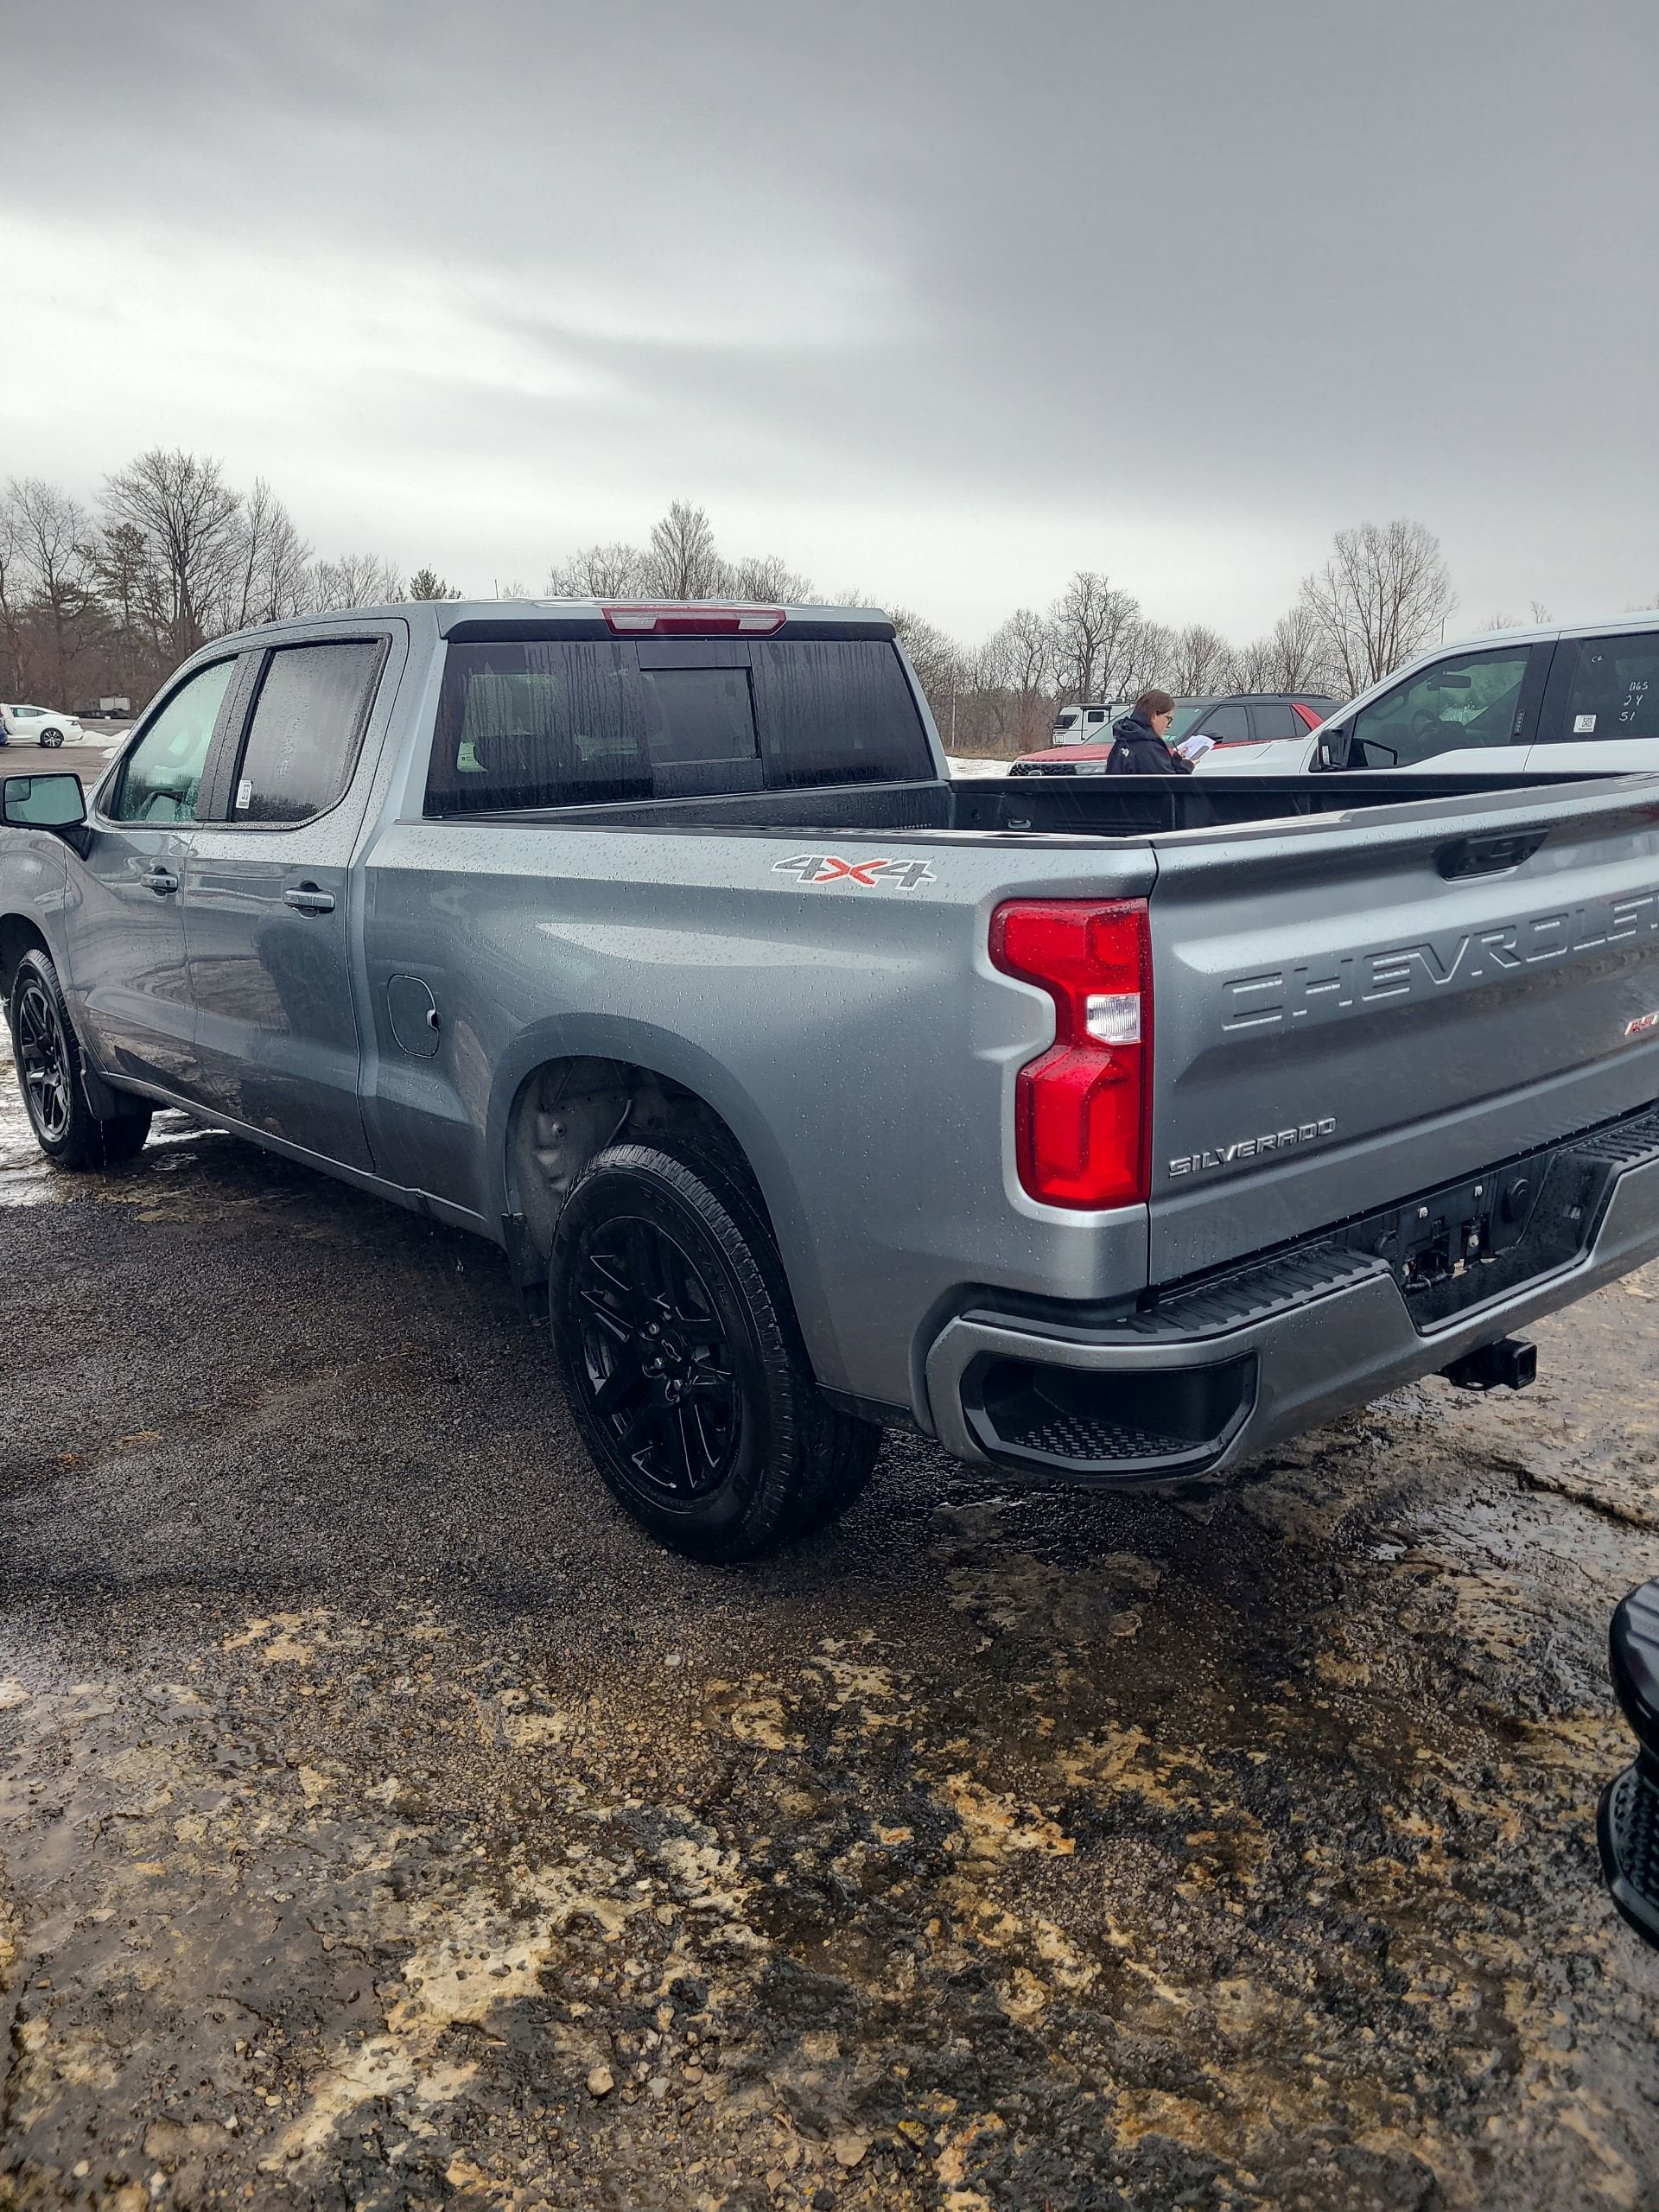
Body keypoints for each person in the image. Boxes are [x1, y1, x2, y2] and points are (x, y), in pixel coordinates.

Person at [1104, 690, 1192, 775]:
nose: (1169, 725)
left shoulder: (1123, 740)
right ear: (1154, 716)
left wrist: (1175, 761)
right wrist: (1186, 767)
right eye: (1169, 719)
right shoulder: (1149, 748)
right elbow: (1169, 785)